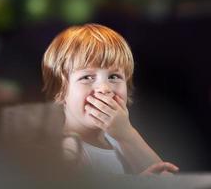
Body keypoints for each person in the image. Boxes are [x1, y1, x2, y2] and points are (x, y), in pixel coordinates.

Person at [42, 23, 179, 175]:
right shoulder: (67, 151)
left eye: (114, 76)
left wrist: (127, 134)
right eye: (87, 77)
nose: (105, 88)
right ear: (60, 91)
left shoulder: (117, 139)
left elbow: (165, 177)